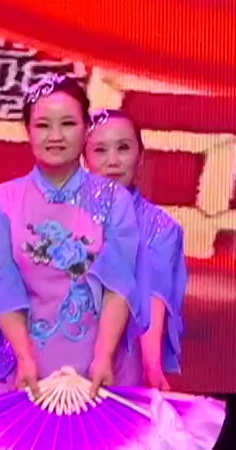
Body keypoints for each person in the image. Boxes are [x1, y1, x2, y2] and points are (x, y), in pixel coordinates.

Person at [0, 75, 164, 395]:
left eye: (68, 124)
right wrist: (25, 358)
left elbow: (118, 285)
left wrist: (103, 357)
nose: (55, 136)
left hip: (102, 369)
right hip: (26, 370)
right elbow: (2, 288)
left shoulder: (115, 199)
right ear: (28, 131)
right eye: (43, 125)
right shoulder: (2, 202)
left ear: (86, 130)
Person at [84, 108, 189, 391]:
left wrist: (151, 363)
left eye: (123, 148)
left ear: (140, 156)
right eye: (100, 150)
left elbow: (154, 293)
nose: (113, 161)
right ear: (84, 159)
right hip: (59, 355)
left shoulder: (160, 227)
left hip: (123, 361)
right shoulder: (63, 217)